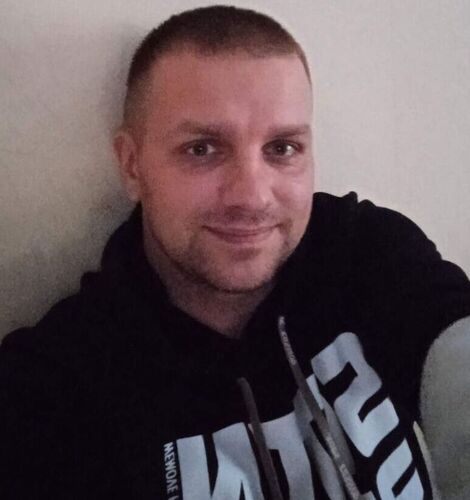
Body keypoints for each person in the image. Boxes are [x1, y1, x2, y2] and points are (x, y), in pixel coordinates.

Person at [0, 5, 469, 499]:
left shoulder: (370, 255)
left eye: (282, 148)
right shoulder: (53, 388)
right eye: (202, 148)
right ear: (133, 165)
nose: (252, 196)